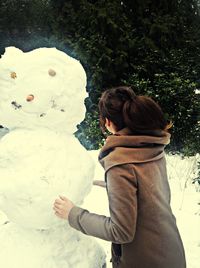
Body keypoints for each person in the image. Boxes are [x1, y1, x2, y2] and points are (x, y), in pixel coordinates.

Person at [53, 86, 186, 268]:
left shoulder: (120, 163)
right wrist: (110, 184)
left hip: (145, 261)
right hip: (171, 252)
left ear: (108, 122)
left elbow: (120, 231)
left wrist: (73, 214)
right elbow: (148, 192)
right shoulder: (151, 147)